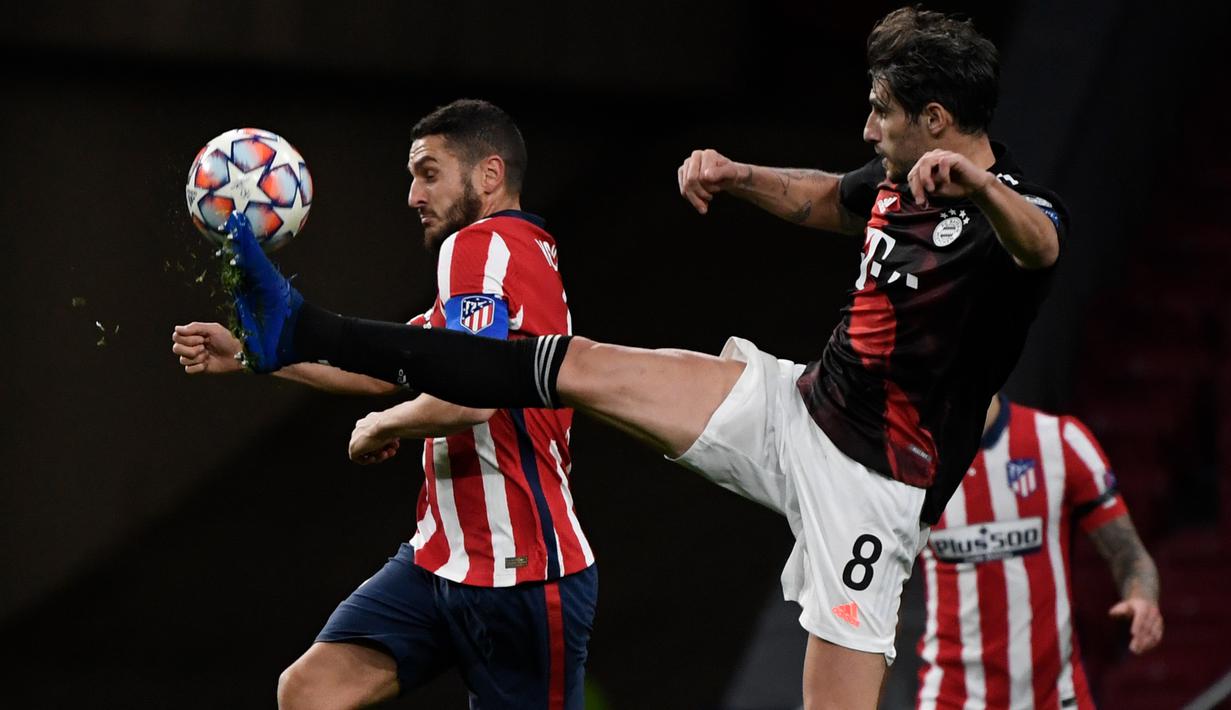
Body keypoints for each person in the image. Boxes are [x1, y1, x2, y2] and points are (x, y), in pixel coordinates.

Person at [225, 8, 1067, 708]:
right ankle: (305, 328)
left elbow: (1041, 247)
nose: (867, 127)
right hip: (798, 409)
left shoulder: (1011, 212)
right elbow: (828, 199)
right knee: (569, 363)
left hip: (874, 486)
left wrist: (981, 189)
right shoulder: (896, 175)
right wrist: (736, 174)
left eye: (881, 111)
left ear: (934, 119)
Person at [172, 99, 597, 709]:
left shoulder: (479, 247)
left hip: (522, 572)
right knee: (309, 690)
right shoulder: (510, 256)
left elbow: (473, 398)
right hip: (441, 559)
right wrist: (247, 354)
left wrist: (380, 426)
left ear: (489, 175)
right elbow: (389, 371)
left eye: (429, 173)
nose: (413, 196)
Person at [915, 395, 1163, 709]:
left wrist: (1143, 598)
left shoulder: (1060, 440)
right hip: (952, 699)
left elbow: (1129, 554)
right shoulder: (911, 460)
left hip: (1057, 699)